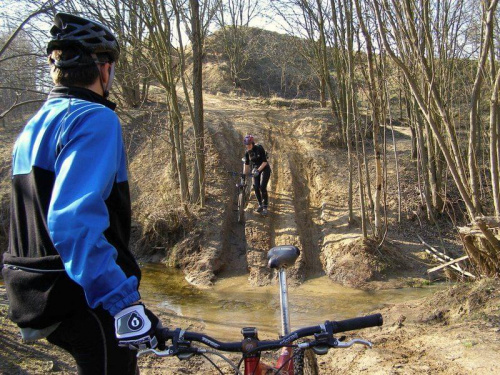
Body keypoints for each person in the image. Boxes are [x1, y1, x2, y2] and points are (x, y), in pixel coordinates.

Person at [2, 13, 162, 375]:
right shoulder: (93, 118)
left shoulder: (35, 124)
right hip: (78, 295)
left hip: (31, 288)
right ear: (103, 70)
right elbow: (72, 222)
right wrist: (121, 301)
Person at [243, 134, 271, 215]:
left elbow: (265, 162)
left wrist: (258, 171)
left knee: (262, 187)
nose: (247, 147)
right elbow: (247, 165)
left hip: (264, 168)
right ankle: (260, 205)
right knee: (256, 187)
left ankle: (265, 207)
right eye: (246, 145)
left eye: (249, 145)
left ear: (252, 143)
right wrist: (244, 175)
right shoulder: (247, 153)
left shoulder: (259, 148)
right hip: (255, 170)